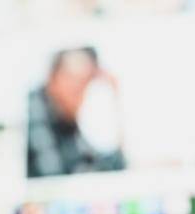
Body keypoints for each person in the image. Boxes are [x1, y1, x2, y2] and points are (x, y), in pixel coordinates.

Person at [26, 48, 126, 177]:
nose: (80, 92)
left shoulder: (67, 120)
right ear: (53, 80)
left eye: (84, 83)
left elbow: (114, 166)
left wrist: (114, 103)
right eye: (73, 81)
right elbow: (54, 176)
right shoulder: (34, 109)